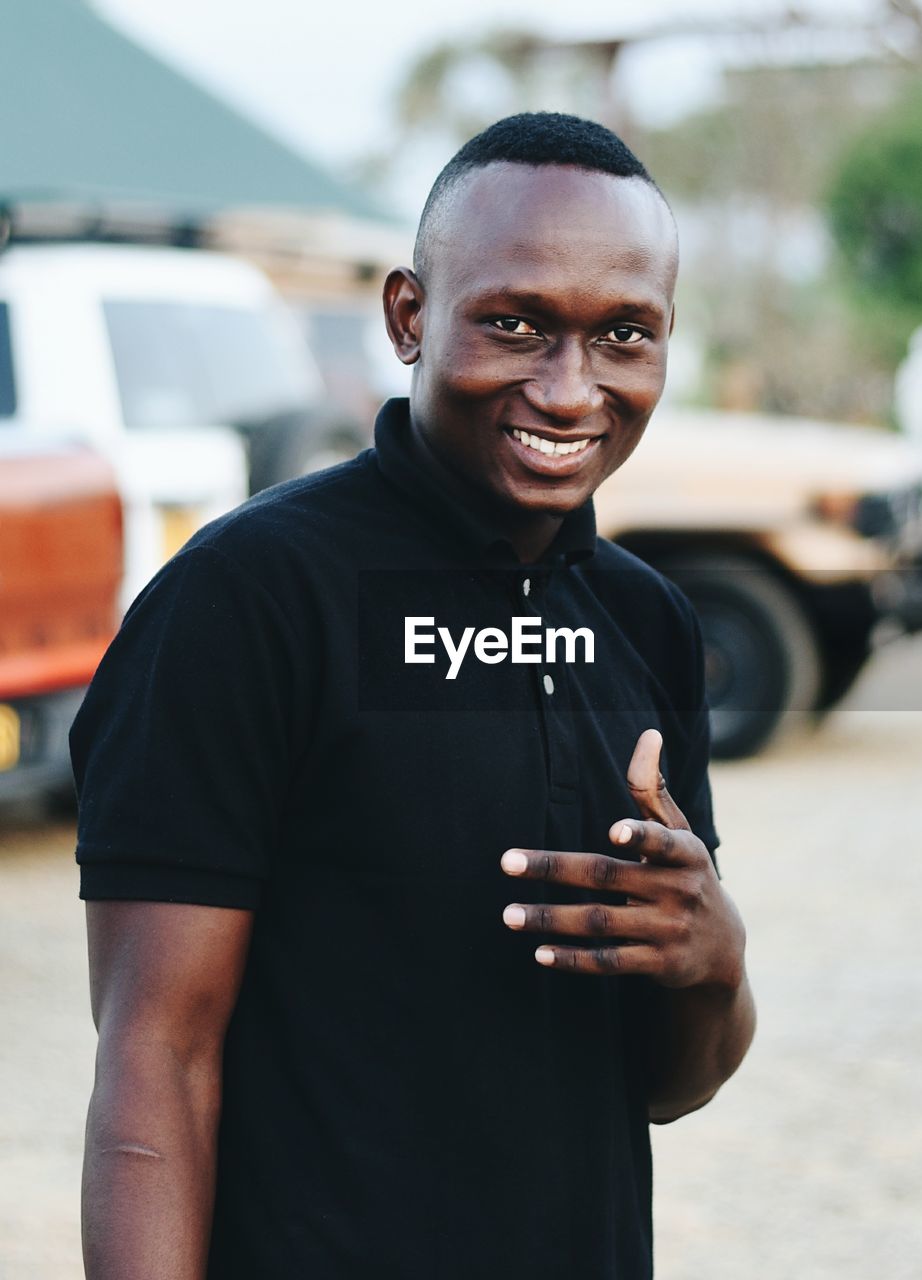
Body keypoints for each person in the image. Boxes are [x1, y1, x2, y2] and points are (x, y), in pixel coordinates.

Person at [72, 112, 755, 1280]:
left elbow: (665, 1085)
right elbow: (157, 1063)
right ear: (408, 316)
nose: (569, 387)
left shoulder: (647, 623)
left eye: (624, 334)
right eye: (515, 322)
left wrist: (716, 959)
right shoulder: (247, 601)